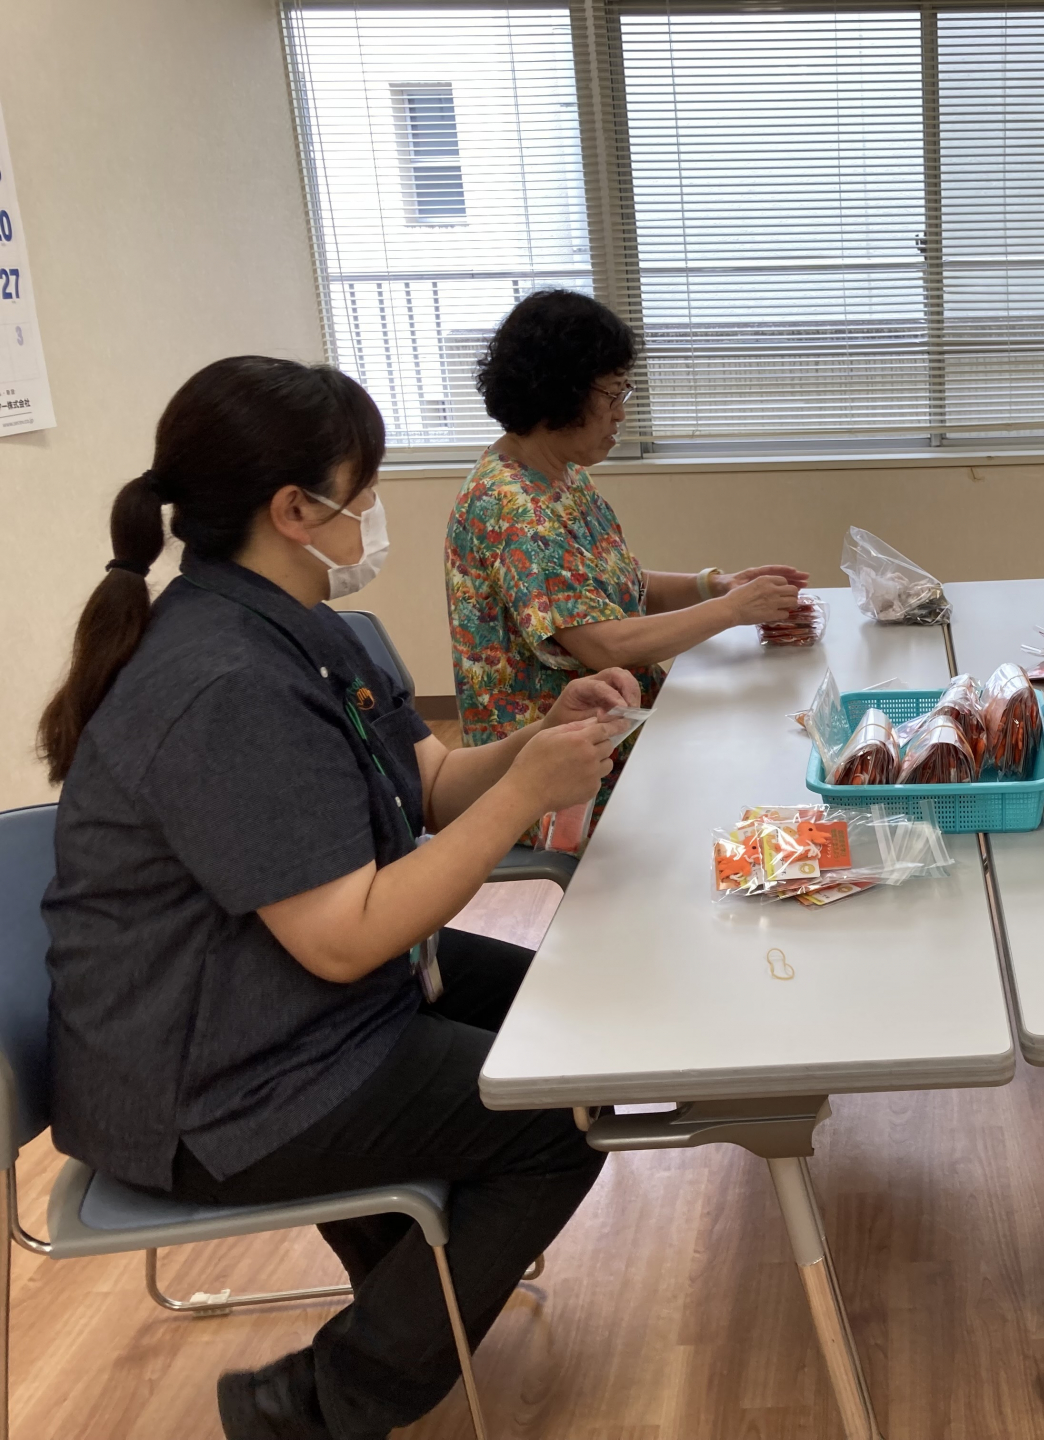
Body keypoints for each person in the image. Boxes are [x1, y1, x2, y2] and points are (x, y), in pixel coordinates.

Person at [39, 356, 633, 1440]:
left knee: (564, 1017)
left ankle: (411, 1278)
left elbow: (432, 783)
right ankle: (317, 1405)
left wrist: (537, 741)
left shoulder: (301, 627)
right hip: (216, 1088)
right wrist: (528, 797)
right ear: (293, 510)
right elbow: (346, 939)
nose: (373, 516)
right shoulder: (223, 683)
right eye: (364, 493)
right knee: (560, 1113)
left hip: (277, 1008)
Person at [445, 288, 809, 810]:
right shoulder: (512, 507)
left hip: (617, 726)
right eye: (612, 394)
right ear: (561, 390)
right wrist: (731, 610)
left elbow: (621, 588)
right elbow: (603, 644)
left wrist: (716, 585)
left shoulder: (562, 476)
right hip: (560, 772)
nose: (620, 414)